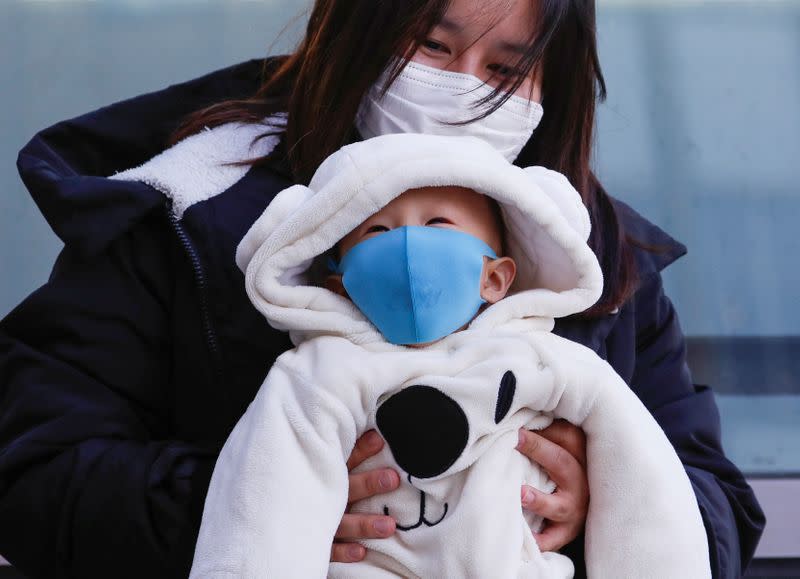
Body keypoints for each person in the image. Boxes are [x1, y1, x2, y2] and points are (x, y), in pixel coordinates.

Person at [0, 0, 763, 578]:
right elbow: (32, 472)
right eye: (431, 44)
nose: (461, 88)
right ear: (355, 31)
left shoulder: (595, 260)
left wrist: (607, 499)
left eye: (505, 69)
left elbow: (721, 504)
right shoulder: (186, 212)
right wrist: (256, 500)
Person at [187, 132, 711, 578]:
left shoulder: (548, 363)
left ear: (496, 277)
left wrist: (597, 499)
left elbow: (643, 476)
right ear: (341, 285)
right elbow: (262, 508)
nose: (410, 243)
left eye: (438, 223)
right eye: (378, 231)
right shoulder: (319, 374)